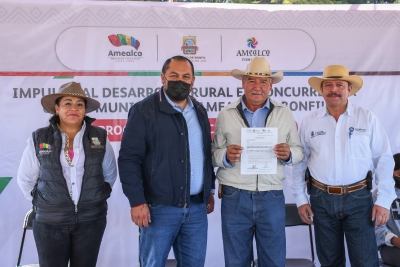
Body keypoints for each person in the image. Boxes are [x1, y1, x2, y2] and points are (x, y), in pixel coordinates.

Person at [292, 65, 396, 267]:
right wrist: (300, 199)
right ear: (321, 90)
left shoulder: (367, 118)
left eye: (339, 84)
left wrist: (383, 200)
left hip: (359, 200)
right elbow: (299, 163)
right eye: (328, 85)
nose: (334, 89)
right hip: (321, 200)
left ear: (349, 89)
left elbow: (383, 159)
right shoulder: (309, 121)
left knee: (365, 262)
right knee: (330, 262)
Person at [118, 55, 215, 267]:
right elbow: (129, 159)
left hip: (197, 208)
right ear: (163, 78)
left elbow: (205, 154)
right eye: (174, 75)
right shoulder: (144, 110)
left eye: (186, 76)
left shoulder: (199, 110)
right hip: (158, 209)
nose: (180, 80)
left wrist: (209, 190)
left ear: (193, 81)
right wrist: (137, 201)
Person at [212, 57, 304, 267]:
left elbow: (299, 151)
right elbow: (213, 153)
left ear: (271, 85)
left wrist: (289, 153)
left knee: (273, 261)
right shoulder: (225, 114)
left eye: (263, 82)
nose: (257, 87)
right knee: (236, 261)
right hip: (235, 194)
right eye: (252, 81)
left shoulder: (285, 113)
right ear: (243, 82)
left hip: (271, 195)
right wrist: (225, 155)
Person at [17, 82, 117, 267]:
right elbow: (26, 179)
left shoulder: (100, 137)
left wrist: (96, 198)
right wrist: (44, 203)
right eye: (67, 103)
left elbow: (109, 175)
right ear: (57, 108)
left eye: (79, 104)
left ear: (85, 110)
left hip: (91, 221)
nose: (74, 108)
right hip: (50, 223)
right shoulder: (40, 138)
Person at [374, 153, 400, 267]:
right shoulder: (379, 196)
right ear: (391, 172)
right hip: (390, 247)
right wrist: (395, 240)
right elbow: (376, 229)